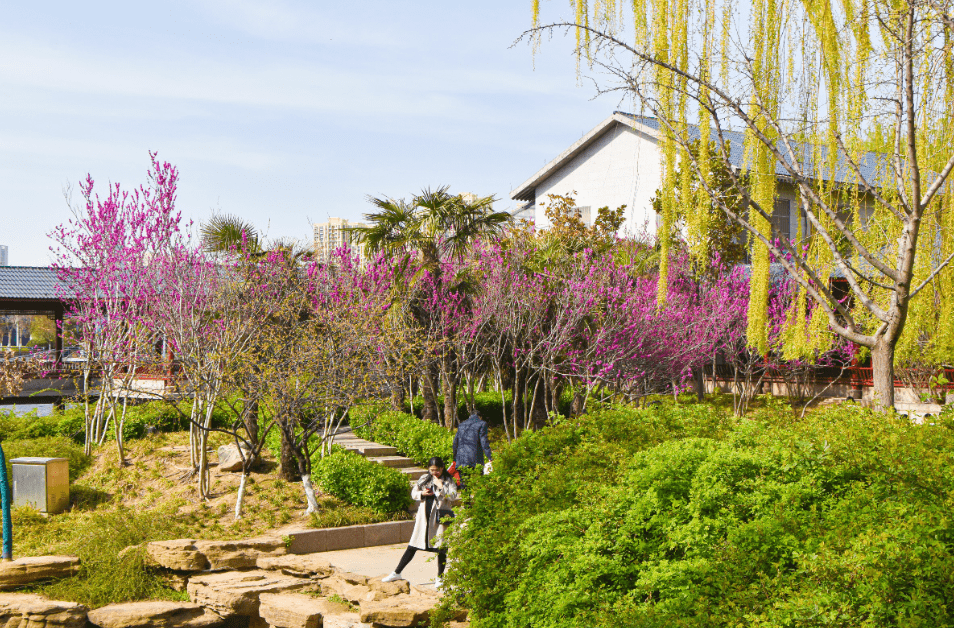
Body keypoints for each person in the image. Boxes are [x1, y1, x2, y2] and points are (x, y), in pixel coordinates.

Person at [383, 457, 458, 588]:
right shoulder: (424, 478)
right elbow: (414, 493)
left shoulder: (448, 480)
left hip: (440, 519)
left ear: (442, 468)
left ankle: (440, 578)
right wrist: (422, 493)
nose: (434, 473)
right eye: (432, 470)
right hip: (424, 518)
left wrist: (441, 487)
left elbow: (453, 496)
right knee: (413, 546)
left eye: (437, 470)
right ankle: (396, 572)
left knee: (441, 548)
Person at [453, 411, 492, 487]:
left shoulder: (461, 424)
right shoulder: (482, 424)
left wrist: (454, 458)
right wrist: (490, 456)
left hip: (460, 458)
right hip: (475, 458)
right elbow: (484, 442)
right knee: (479, 482)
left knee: (463, 482)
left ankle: (466, 498)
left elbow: (455, 443)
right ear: (480, 417)